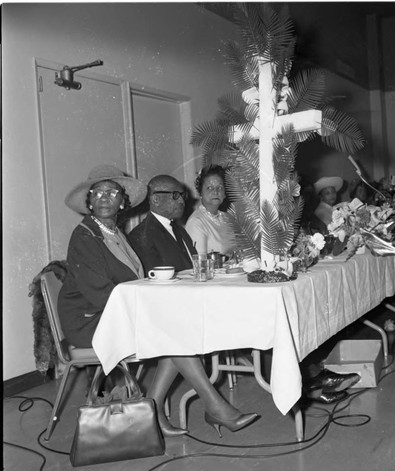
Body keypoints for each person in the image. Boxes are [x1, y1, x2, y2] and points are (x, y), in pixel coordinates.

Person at [59, 166, 258, 439]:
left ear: (122, 201)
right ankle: (215, 407)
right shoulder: (85, 236)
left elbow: (133, 281)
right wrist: (149, 314)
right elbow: (100, 294)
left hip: (116, 311)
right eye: (98, 193)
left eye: (112, 192)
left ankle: (156, 411)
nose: (104, 197)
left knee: (174, 333)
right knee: (172, 333)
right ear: (89, 201)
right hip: (91, 320)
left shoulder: (115, 233)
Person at [128, 175, 197, 273]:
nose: (182, 201)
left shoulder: (179, 230)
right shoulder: (141, 235)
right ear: (156, 199)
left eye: (183, 196)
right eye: (175, 195)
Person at [185, 165, 236, 256]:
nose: (215, 192)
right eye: (209, 188)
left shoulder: (228, 218)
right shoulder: (196, 222)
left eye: (220, 188)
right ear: (200, 193)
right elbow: (200, 264)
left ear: (224, 194)